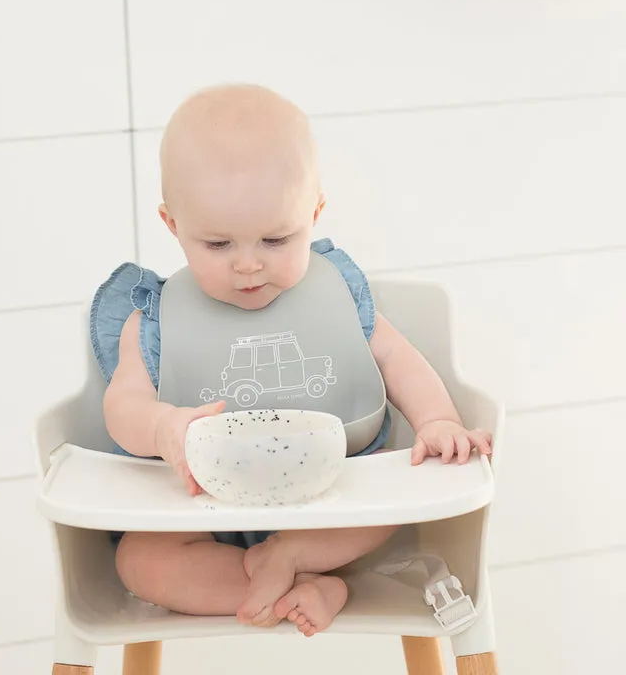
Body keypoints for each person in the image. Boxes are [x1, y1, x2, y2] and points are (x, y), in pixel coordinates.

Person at [91, 83, 492, 637]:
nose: (249, 265)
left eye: (277, 239)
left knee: (392, 506)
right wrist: (161, 428)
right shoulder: (156, 319)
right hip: (201, 513)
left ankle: (296, 557)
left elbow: (396, 357)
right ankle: (289, 583)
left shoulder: (335, 294)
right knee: (140, 561)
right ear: (173, 225)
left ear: (315, 212)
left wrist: (437, 421)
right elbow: (123, 403)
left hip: (331, 498)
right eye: (218, 245)